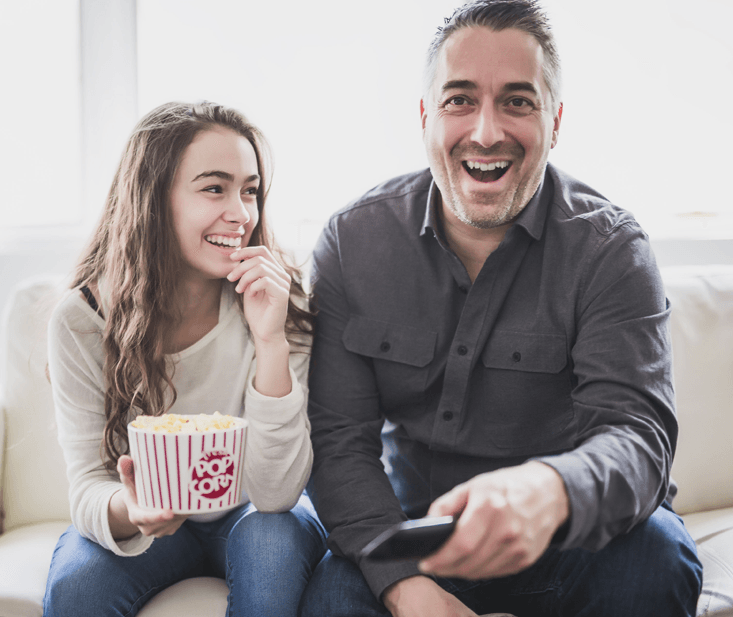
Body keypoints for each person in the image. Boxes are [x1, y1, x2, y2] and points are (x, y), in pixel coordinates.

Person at [299, 1, 702, 616]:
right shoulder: (352, 242)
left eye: (518, 101)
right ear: (426, 116)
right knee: (332, 596)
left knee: (656, 555)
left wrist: (551, 491)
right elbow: (337, 443)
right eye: (460, 99)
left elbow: (638, 436)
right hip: (415, 544)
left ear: (556, 120)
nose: (486, 132)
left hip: (570, 542)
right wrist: (409, 590)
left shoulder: (612, 250)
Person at [42, 101, 327, 617]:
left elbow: (276, 492)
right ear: (154, 200)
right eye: (214, 188)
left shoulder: (281, 302)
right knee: (78, 587)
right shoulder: (81, 320)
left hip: (253, 513)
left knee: (273, 544)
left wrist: (270, 340)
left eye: (250, 190)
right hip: (151, 524)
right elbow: (86, 484)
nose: (241, 214)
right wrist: (132, 510)